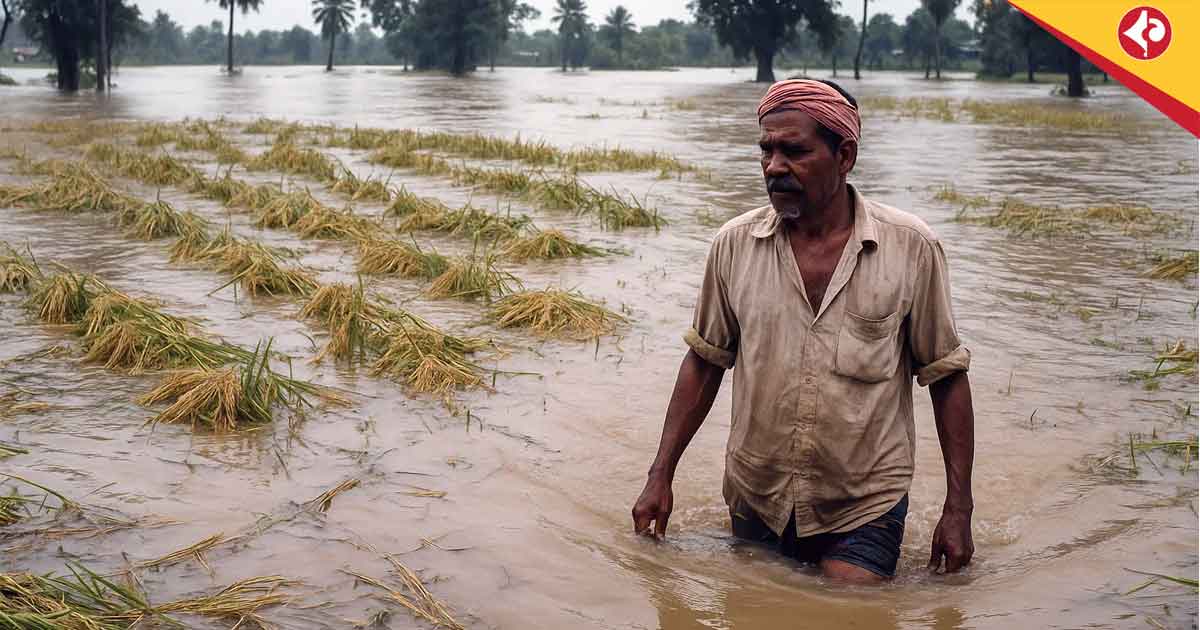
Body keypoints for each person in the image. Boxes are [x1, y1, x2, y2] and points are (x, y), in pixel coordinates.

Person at [631, 79, 976, 584]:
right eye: (766, 150)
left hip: (863, 502)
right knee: (754, 608)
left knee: (849, 610)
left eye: (793, 151)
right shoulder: (733, 245)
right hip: (757, 494)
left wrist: (958, 508)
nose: (774, 166)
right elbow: (705, 361)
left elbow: (945, 376)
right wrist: (660, 474)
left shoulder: (911, 248)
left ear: (844, 156)